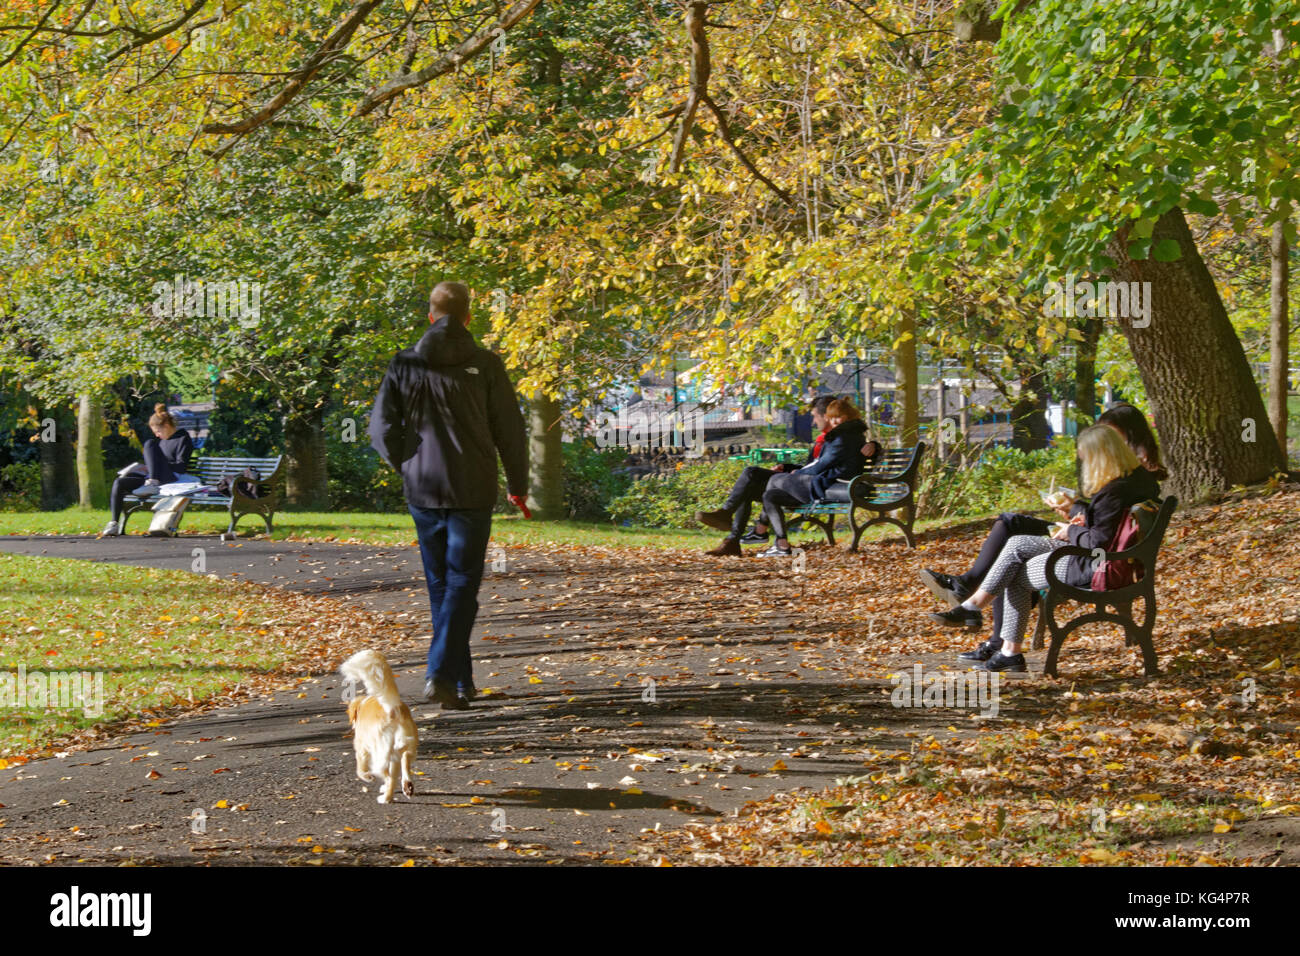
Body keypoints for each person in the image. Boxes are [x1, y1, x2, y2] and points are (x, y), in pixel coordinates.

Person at [368, 281, 529, 711]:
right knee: (461, 583)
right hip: (473, 486)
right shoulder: (486, 364)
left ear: (430, 315)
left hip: (423, 487)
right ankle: (443, 673)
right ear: (468, 317)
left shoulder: (403, 363)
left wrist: (407, 464)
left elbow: (381, 429)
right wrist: (518, 483)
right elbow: (510, 430)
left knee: (442, 584)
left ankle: (458, 682)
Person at [918, 402, 1167, 652]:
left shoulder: (1114, 490)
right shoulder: (1135, 479)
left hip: (1095, 564)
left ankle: (992, 633)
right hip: (1108, 559)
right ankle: (990, 631)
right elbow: (1108, 525)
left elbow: (1098, 541)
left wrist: (1070, 529)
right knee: (1013, 547)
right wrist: (1079, 515)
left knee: (1012, 561)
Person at [694, 394, 836, 556]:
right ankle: (732, 542)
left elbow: (823, 468)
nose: (812, 422)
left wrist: (872, 446)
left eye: (815, 417)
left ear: (827, 416)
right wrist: (787, 467)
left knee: (751, 473)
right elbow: (813, 465)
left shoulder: (836, 439)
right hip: (798, 482)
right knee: (746, 487)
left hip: (805, 488)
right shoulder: (824, 438)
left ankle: (727, 514)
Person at [756, 398, 880, 557]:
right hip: (830, 484)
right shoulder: (845, 435)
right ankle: (781, 544)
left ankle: (761, 530)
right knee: (770, 495)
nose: (829, 420)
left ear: (842, 418)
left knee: (774, 479)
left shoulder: (843, 437)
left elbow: (823, 465)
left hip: (837, 486)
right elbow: (823, 464)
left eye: (833, 417)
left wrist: (796, 475)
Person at [102, 404, 194, 537]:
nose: (157, 435)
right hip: (153, 478)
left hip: (169, 478)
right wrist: (147, 468)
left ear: (167, 426)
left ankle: (152, 481)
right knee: (119, 482)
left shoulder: (183, 438)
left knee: (149, 444)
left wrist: (159, 467)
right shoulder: (162, 441)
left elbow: (180, 466)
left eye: (158, 431)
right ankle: (114, 523)